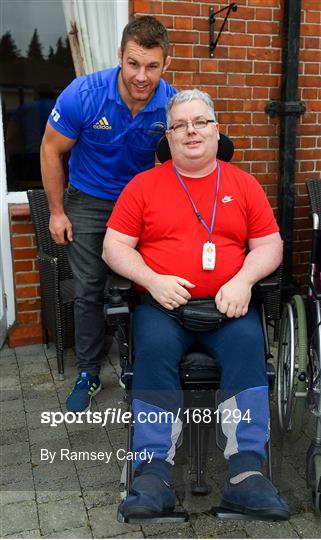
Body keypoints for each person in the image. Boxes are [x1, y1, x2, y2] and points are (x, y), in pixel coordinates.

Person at [102, 89, 290, 521]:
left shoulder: (242, 184)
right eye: (180, 124)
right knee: (153, 351)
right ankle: (153, 476)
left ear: (216, 129)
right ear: (167, 137)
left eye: (200, 122)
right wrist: (151, 279)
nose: (191, 131)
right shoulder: (143, 186)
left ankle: (246, 476)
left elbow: (269, 245)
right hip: (162, 307)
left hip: (229, 307)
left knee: (248, 348)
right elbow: (114, 246)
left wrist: (243, 280)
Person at [40, 16, 175, 413]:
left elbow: (181, 161)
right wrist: (57, 212)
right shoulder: (84, 93)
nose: (141, 75)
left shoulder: (173, 103)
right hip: (89, 200)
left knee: (150, 284)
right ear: (120, 56)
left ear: (166, 65)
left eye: (152, 66)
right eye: (133, 63)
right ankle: (89, 372)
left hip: (142, 203)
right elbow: (51, 150)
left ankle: (147, 365)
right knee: (88, 290)